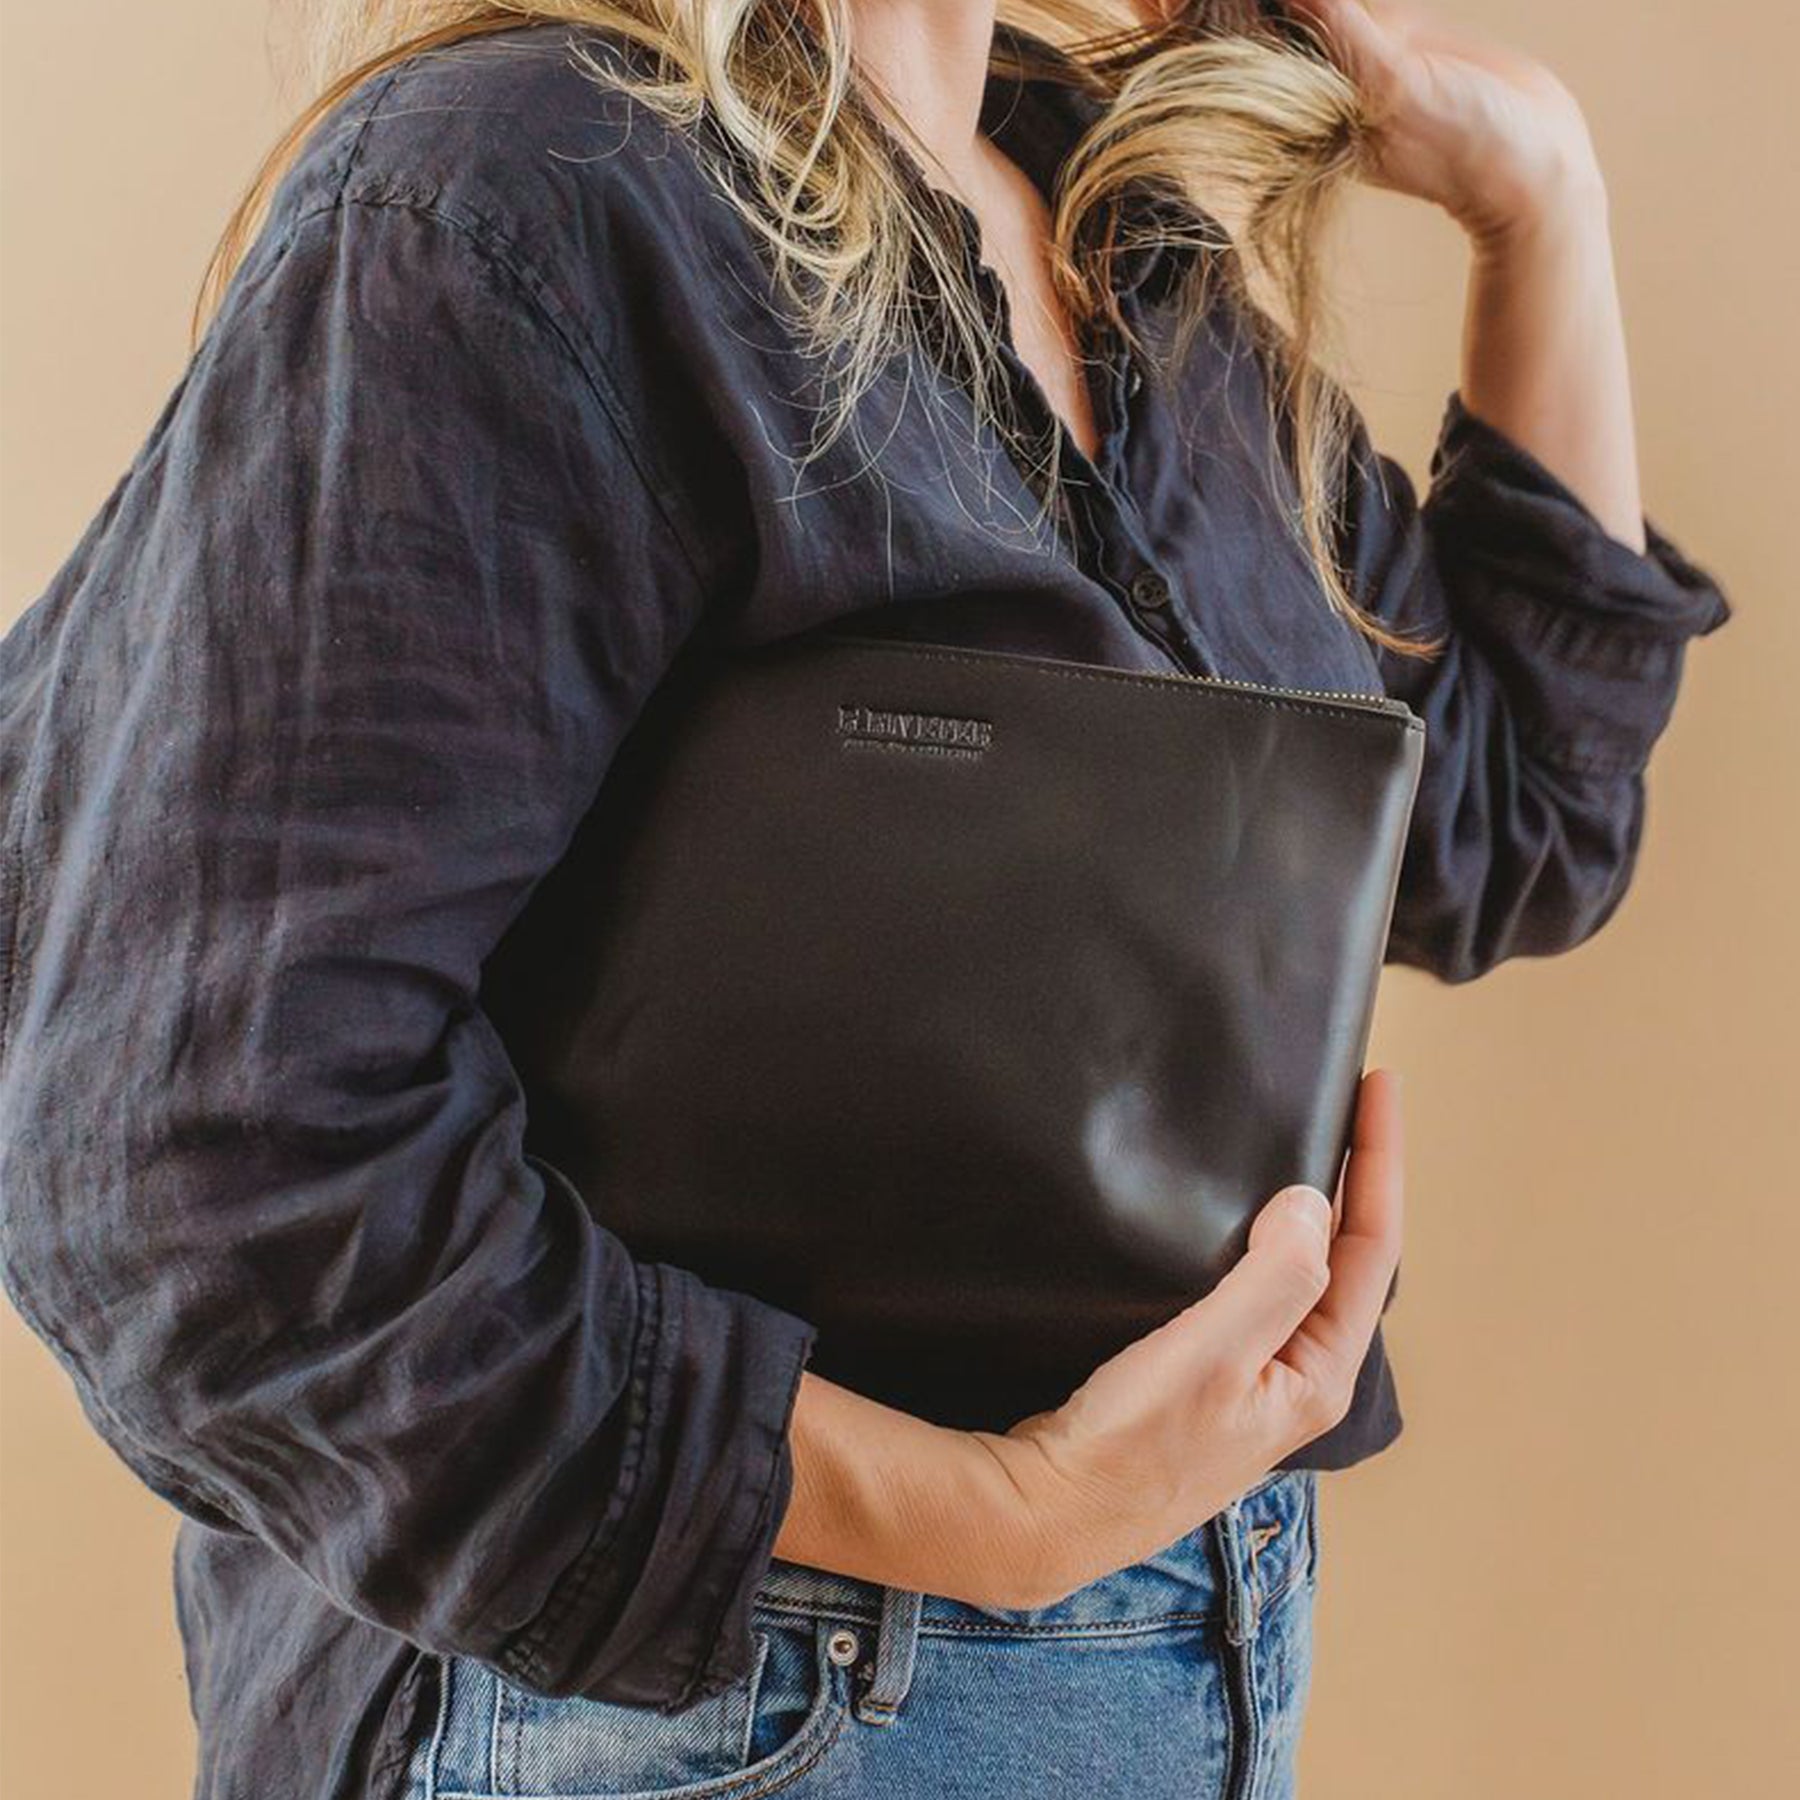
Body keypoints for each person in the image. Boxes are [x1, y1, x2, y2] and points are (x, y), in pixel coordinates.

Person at [0, 4, 1732, 1797]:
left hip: (1166, 1675)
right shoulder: (530, 189)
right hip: (699, 1720)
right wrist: (992, 1518)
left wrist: (1538, 196)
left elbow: (1520, 818)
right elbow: (202, 1161)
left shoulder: (1118, 237)